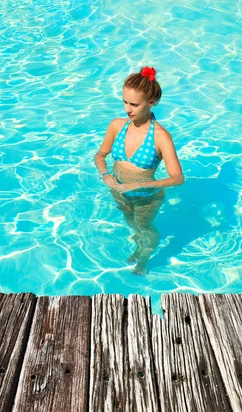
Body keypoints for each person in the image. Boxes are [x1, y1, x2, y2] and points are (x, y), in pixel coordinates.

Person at [94, 66, 184, 275]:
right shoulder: (117, 126)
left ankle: (144, 260)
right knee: (130, 221)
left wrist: (139, 184)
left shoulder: (161, 137)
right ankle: (140, 246)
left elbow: (178, 178)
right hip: (118, 189)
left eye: (134, 104)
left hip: (145, 196)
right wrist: (105, 175)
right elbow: (100, 156)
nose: (127, 109)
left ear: (151, 103)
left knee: (145, 226)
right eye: (125, 102)